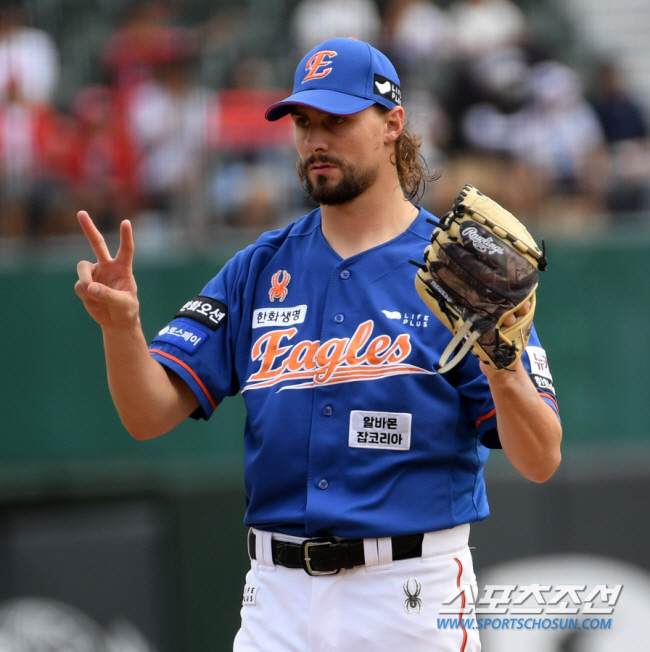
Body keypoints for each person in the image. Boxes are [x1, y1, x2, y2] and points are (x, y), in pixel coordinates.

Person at [75, 38, 562, 652]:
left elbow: (542, 458)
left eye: (337, 120)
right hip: (275, 596)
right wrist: (122, 329)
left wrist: (504, 366)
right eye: (304, 123)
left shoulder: (457, 269)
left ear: (393, 124)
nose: (315, 140)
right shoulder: (260, 267)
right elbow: (147, 416)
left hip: (407, 593)